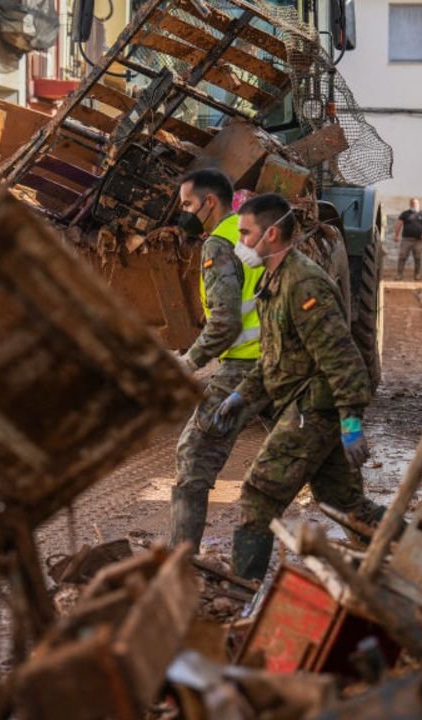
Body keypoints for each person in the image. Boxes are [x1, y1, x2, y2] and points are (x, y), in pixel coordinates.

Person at [214, 193, 387, 581]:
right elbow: (275, 355)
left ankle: (243, 588)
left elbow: (342, 357)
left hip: (314, 409)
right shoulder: (274, 280)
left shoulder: (304, 284)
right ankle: (417, 553)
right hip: (305, 402)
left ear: (271, 234)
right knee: (345, 505)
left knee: (259, 494)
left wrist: (350, 422)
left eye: (245, 233)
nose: (240, 242)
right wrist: (243, 395)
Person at [168, 169, 266, 550]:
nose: (184, 213)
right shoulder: (247, 235)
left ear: (210, 203)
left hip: (245, 366)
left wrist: (188, 364)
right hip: (281, 361)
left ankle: (179, 560)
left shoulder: (217, 246)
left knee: (194, 454)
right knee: (317, 465)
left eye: (188, 205)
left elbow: (225, 323)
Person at [394, 198, 422, 281]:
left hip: (418, 241)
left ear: (419, 204)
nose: (415, 205)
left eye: (416, 203)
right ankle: (399, 275)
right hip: (406, 240)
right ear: (410, 204)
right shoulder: (405, 214)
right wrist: (396, 235)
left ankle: (417, 275)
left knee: (418, 258)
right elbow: (399, 224)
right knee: (402, 257)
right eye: (413, 204)